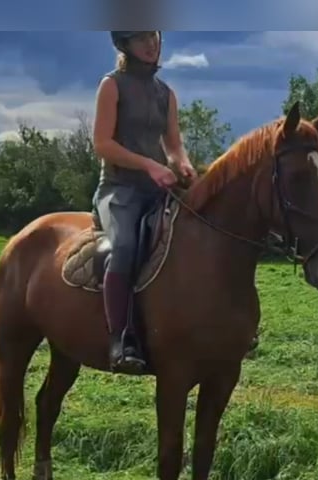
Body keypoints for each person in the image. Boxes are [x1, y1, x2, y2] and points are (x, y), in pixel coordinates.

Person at [92, 31, 197, 375]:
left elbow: (174, 144)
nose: (151, 45)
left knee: (200, 236)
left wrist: (182, 163)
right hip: (119, 190)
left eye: (153, 36)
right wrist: (149, 164)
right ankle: (120, 340)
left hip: (157, 190)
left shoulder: (166, 94)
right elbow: (102, 144)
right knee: (123, 247)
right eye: (141, 39)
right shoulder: (112, 85)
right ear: (124, 45)